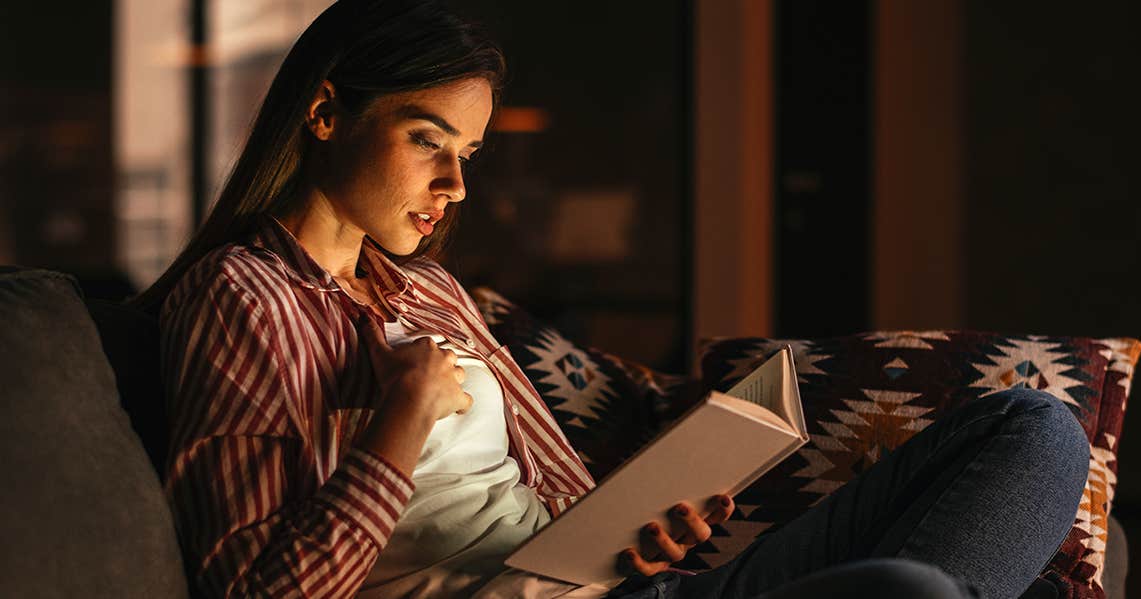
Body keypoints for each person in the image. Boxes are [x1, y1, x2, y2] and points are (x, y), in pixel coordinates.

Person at [132, 1, 1092, 597]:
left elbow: (564, 507)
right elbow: (260, 589)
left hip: (625, 586)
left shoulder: (429, 291)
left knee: (1032, 427)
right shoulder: (241, 297)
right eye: (429, 140)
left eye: (467, 155)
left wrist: (645, 530)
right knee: (906, 589)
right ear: (327, 112)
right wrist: (402, 415)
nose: (457, 185)